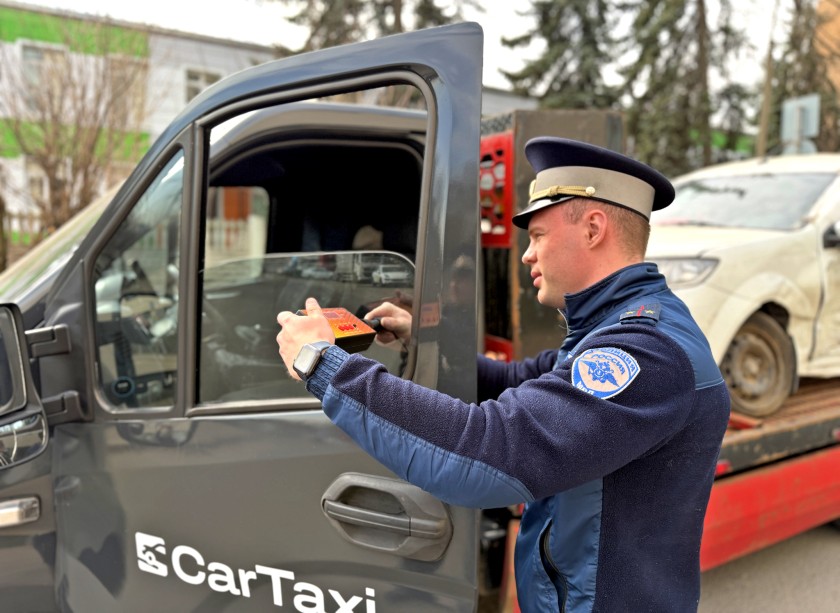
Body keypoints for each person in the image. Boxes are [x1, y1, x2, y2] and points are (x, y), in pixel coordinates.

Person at [276, 137, 731, 613]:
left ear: (594, 228)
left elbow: (489, 449)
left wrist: (321, 364)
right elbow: (515, 382)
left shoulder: (644, 351)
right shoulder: (610, 327)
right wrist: (424, 338)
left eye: (537, 236)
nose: (526, 256)